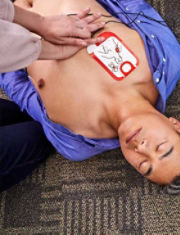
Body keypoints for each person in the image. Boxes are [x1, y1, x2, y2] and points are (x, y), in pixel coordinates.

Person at [0, 0, 180, 194]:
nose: (141, 148)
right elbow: (130, 4)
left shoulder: (74, 142)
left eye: (142, 164)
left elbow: (17, 86)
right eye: (160, 147)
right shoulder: (166, 60)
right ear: (176, 125)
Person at [0, 0, 105, 191]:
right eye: (161, 149)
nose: (142, 147)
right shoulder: (75, 144)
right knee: (34, 137)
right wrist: (43, 48)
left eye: (145, 167)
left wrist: (41, 23)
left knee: (13, 116)